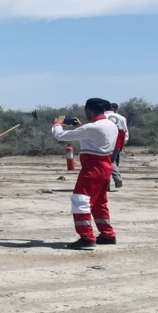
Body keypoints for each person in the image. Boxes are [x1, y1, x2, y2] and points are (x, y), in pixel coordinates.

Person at [52, 98, 118, 250]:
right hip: (105, 166)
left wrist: (57, 125)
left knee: (80, 200)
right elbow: (91, 137)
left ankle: (87, 237)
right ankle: (107, 234)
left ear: (89, 110)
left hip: (92, 168)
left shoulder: (93, 127)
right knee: (100, 203)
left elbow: (60, 136)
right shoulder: (110, 125)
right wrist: (81, 127)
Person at [104, 103, 129, 189]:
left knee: (105, 162)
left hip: (106, 141)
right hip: (118, 142)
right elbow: (125, 131)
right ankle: (116, 179)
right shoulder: (121, 118)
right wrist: (124, 143)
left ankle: (108, 183)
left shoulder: (102, 117)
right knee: (113, 161)